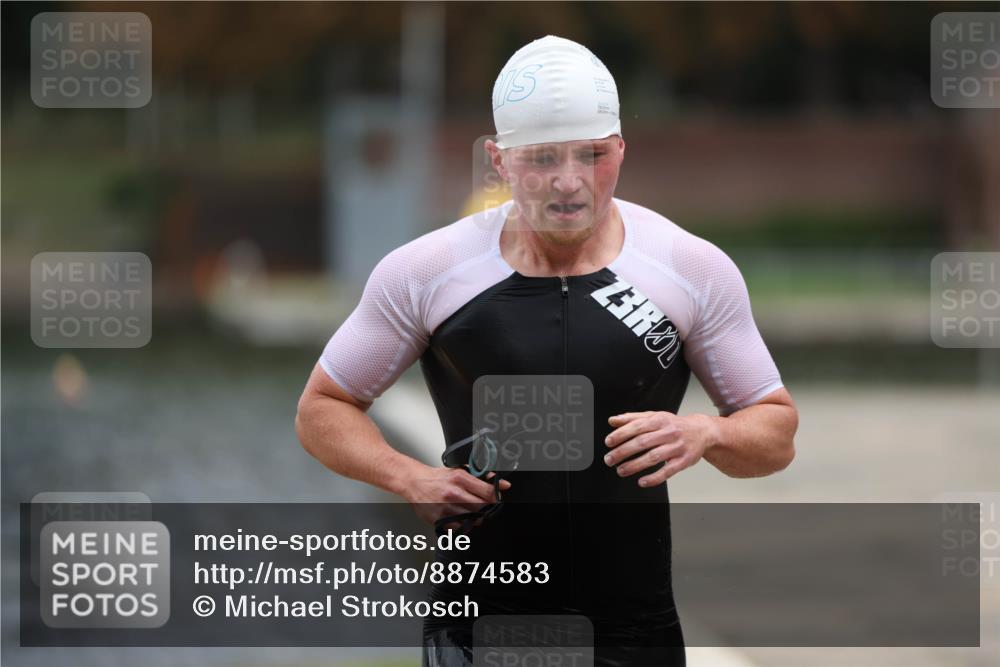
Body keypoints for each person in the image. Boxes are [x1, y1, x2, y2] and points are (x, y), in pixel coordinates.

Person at [296, 35, 798, 667]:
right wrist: (408, 476)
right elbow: (323, 407)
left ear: (621, 149)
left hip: (633, 628)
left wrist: (705, 434)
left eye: (592, 155)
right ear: (498, 161)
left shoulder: (690, 269)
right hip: (480, 625)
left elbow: (776, 433)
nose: (569, 182)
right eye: (542, 160)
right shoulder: (428, 272)